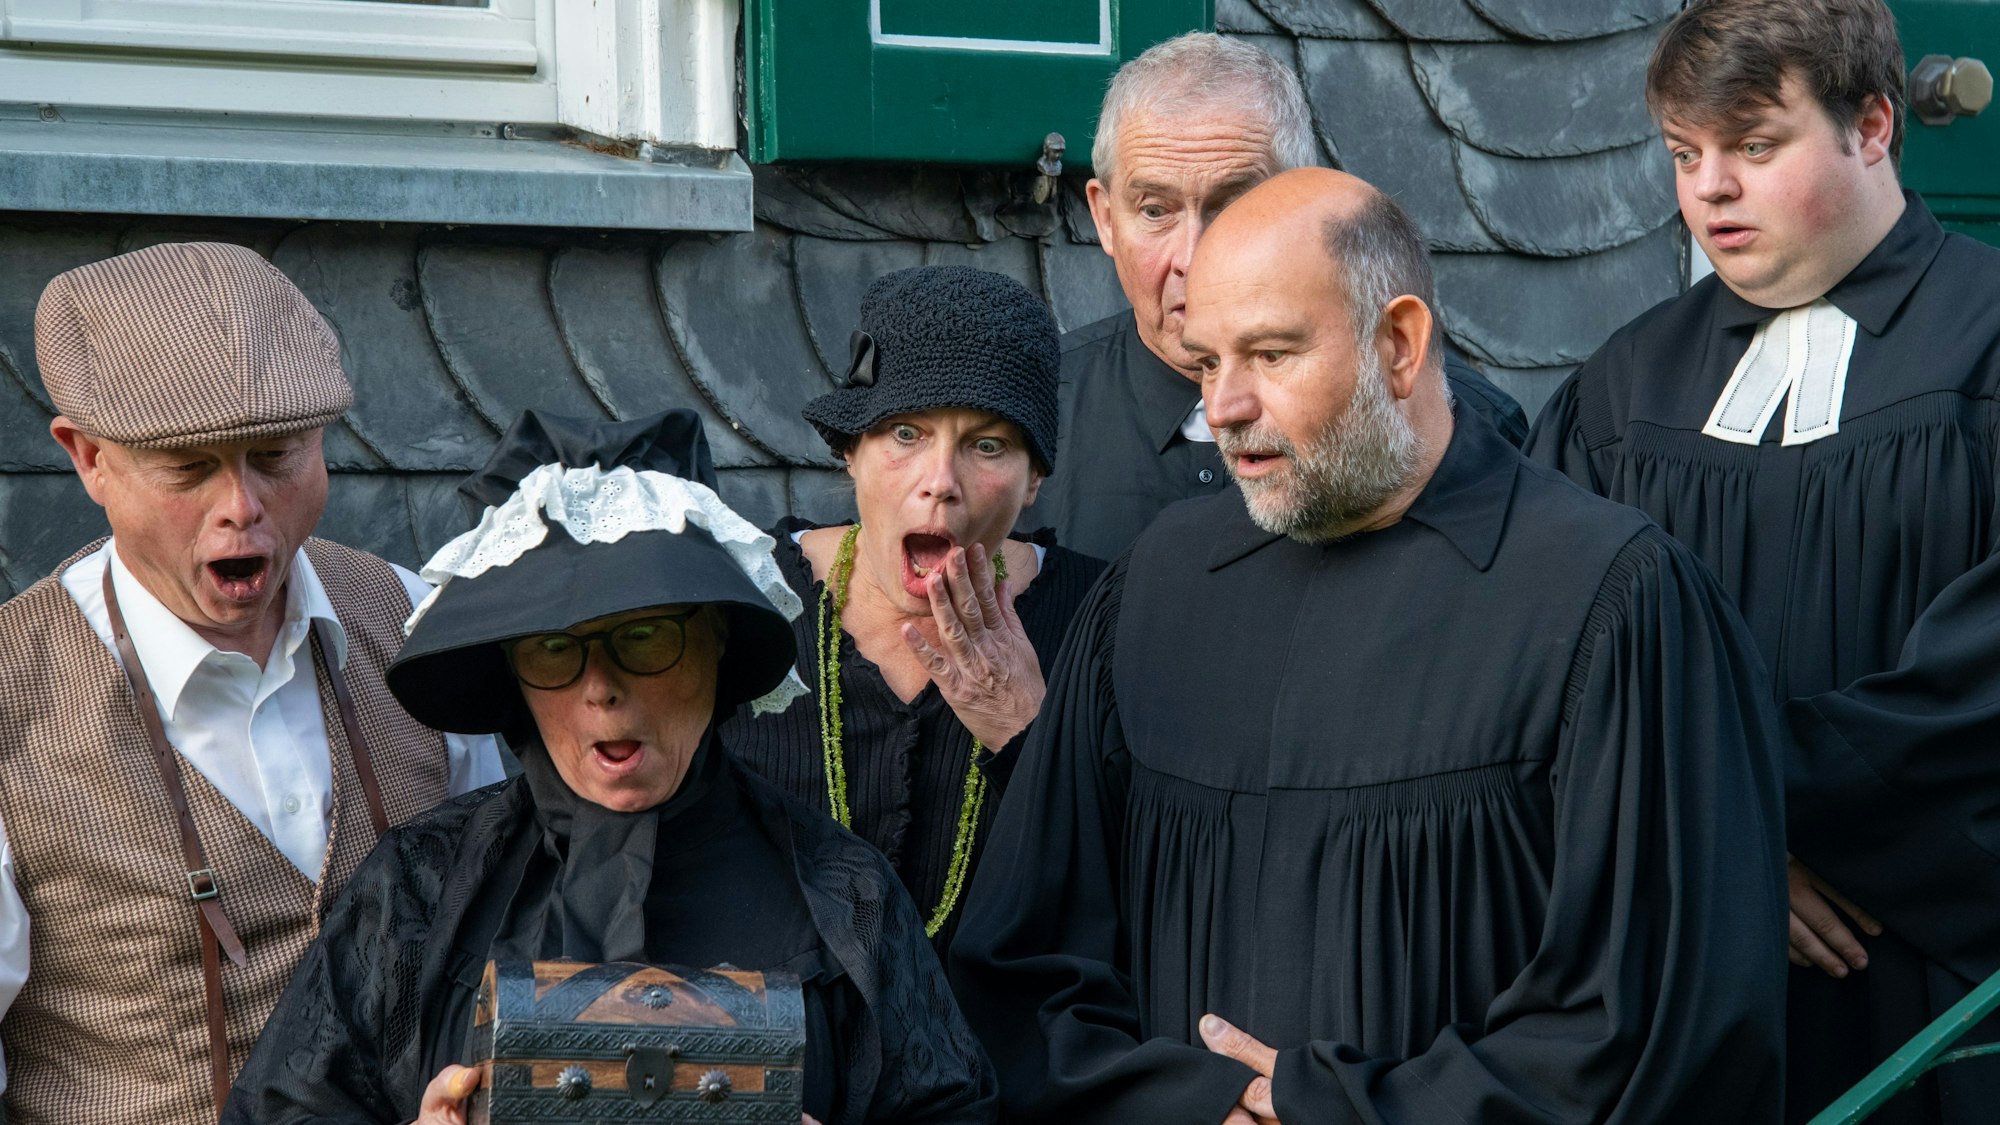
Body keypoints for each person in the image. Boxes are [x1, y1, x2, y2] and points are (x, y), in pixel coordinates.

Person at [951, 168, 1789, 1123]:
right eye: (1206, 362)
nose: (1223, 405)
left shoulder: (1611, 597)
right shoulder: (1156, 591)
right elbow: (1023, 968)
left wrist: (1348, 1111)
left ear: (1398, 344)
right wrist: (1189, 1107)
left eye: (1269, 355)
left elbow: (1659, 1020)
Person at [225, 409, 998, 1125]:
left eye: (645, 637)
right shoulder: (421, 891)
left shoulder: (842, 899)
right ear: (515, 676)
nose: (601, 688)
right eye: (556, 649)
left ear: (716, 643)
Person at [1522, 0, 2000, 1117]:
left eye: (1752, 144)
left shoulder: (1985, 344)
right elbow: (1546, 665)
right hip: (1682, 977)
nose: (1709, 189)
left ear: (1872, 125)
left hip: (1928, 977)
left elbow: (1977, 682)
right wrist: (1722, 861)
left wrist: (1723, 816)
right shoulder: (1622, 388)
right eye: (1685, 154)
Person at [0, 242, 503, 1123]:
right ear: (88, 460)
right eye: (190, 468)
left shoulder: (418, 623)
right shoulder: (13, 695)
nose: (242, 505)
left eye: (276, 454)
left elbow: (514, 933)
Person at [1023, 31, 1528, 561]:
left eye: (1232, 205)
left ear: (1300, 195)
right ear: (1104, 218)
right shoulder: (1024, 418)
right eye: (1155, 210)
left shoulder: (1467, 424)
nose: (1193, 259)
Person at [722, 266, 1105, 956]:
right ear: (850, 451)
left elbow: (1135, 893)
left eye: (988, 445)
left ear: (1035, 478)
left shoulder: (1100, 621)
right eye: (905, 433)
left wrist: (1027, 733)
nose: (940, 483)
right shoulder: (739, 601)